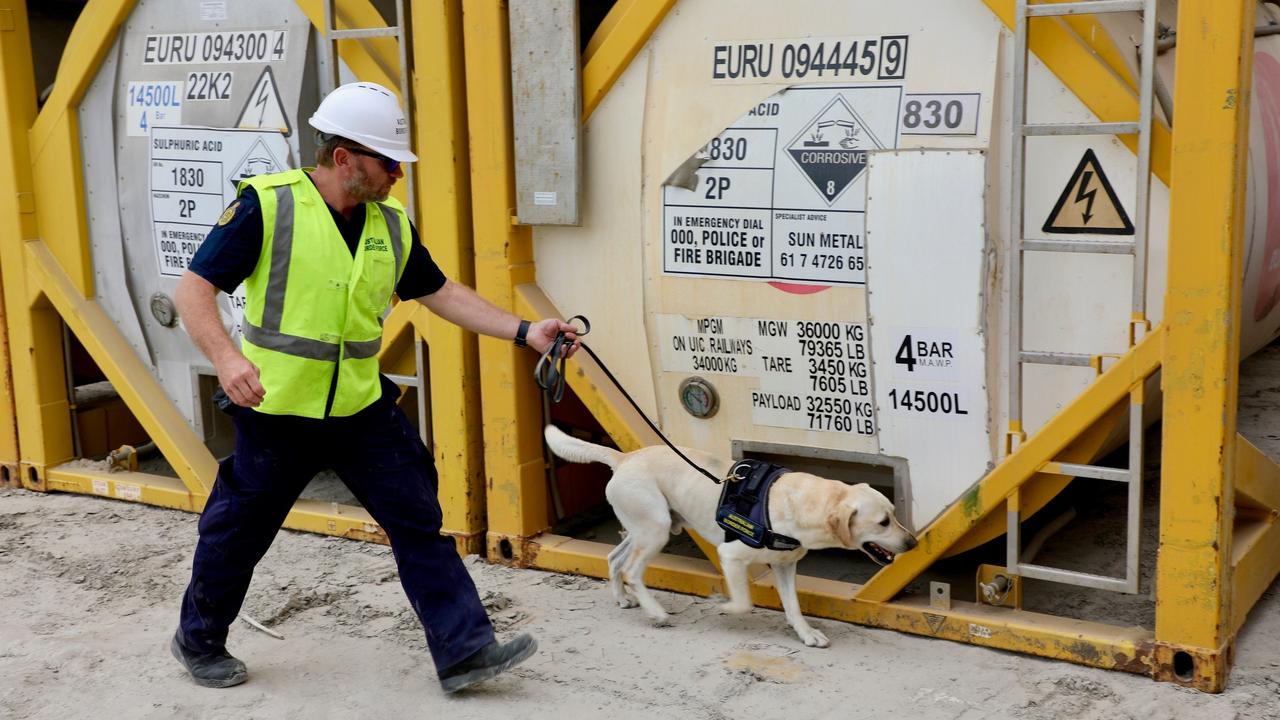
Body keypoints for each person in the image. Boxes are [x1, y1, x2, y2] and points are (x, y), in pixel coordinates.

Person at [169, 81, 578, 694]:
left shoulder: (389, 223)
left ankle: (465, 651)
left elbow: (439, 292)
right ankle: (198, 641)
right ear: (343, 158)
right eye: (388, 163)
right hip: (278, 408)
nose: (395, 176)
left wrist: (525, 331)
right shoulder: (268, 207)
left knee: (417, 518)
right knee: (239, 531)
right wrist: (227, 360)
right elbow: (193, 290)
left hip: (360, 407)